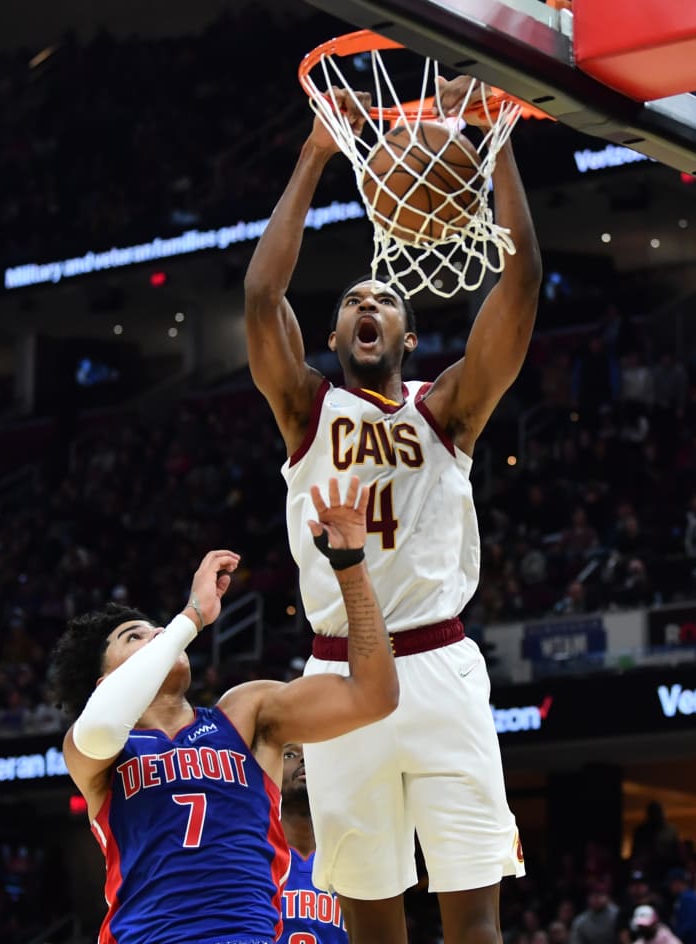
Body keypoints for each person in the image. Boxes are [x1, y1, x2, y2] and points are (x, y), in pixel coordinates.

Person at [244, 76, 541, 944]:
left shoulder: (446, 410)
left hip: (442, 666)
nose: (365, 303)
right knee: (372, 926)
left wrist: (498, 143)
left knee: (475, 923)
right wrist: (312, 157)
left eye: (381, 300)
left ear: (409, 338)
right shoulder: (305, 411)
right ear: (333, 340)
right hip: (338, 679)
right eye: (350, 303)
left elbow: (521, 286)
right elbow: (262, 302)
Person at [51, 477, 398, 944]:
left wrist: (351, 565)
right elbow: (101, 724)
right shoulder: (94, 751)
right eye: (135, 637)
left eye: (159, 630)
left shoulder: (244, 712)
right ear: (103, 683)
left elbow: (374, 695)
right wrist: (190, 617)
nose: (158, 636)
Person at [279, 742, 348, 943]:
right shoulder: (250, 857)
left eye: (314, 754)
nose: (304, 759)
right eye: (289, 754)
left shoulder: (353, 861)